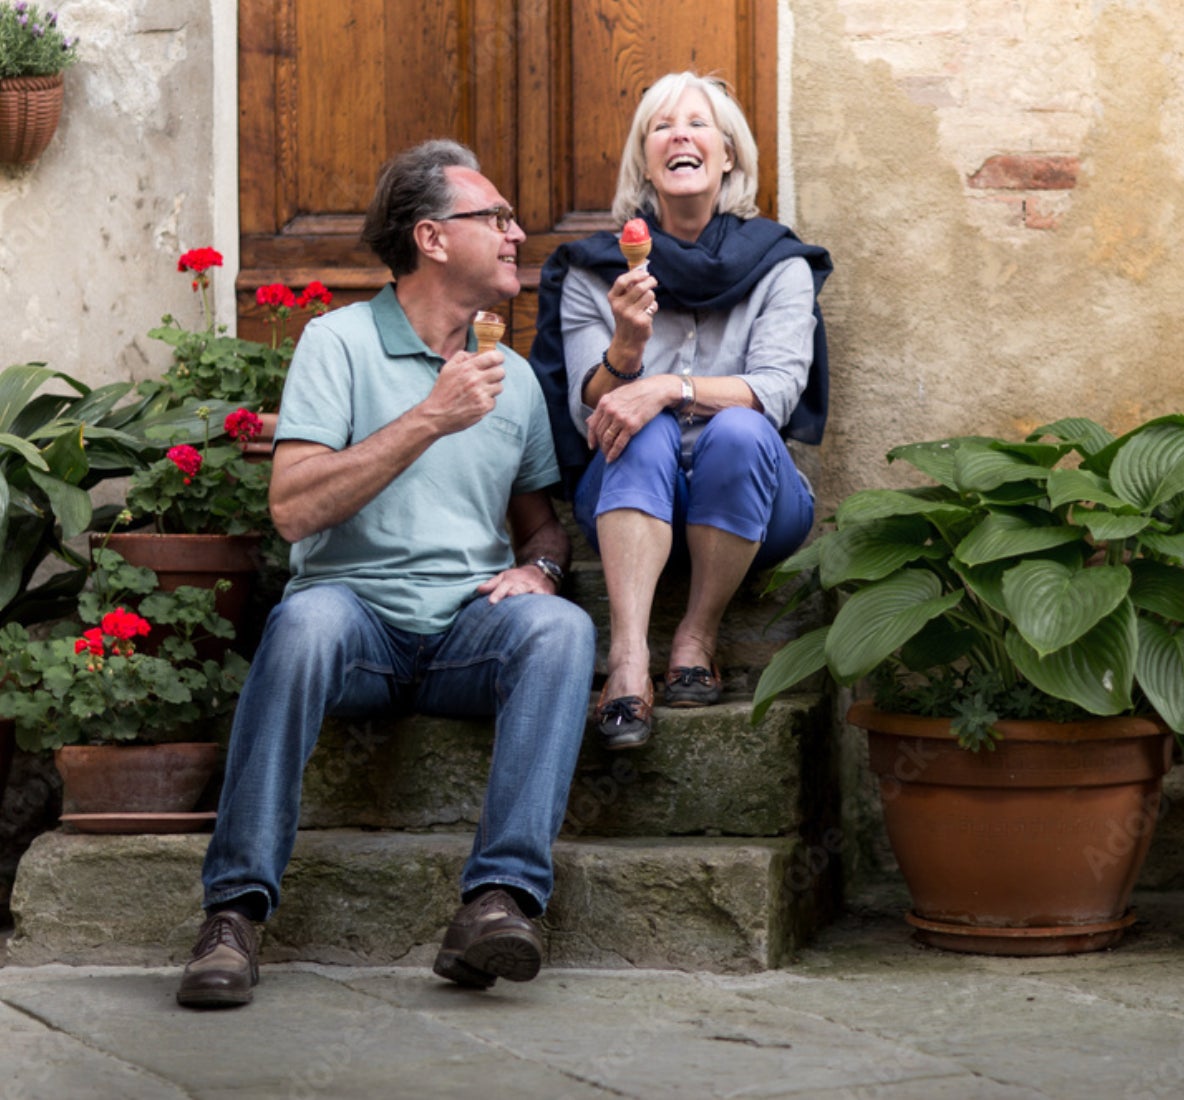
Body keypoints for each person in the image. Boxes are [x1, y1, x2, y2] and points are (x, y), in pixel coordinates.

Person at [176, 140, 596, 1009]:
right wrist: (428, 418)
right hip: (354, 620)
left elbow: (540, 523)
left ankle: (498, 900)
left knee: (560, 630)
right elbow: (291, 509)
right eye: (497, 219)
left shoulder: (511, 379)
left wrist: (545, 570)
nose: (518, 234)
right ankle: (233, 915)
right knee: (302, 623)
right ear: (434, 238)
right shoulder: (338, 343)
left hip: (467, 632)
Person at [529, 73, 832, 751]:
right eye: (661, 127)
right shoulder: (594, 271)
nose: (680, 136)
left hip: (755, 492)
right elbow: (592, 417)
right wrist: (628, 348)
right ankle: (630, 659)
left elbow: (777, 390)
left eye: (698, 124)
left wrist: (669, 385)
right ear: (645, 160)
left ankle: (697, 634)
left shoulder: (779, 263)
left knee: (740, 427)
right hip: (631, 484)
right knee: (639, 427)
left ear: (728, 155)